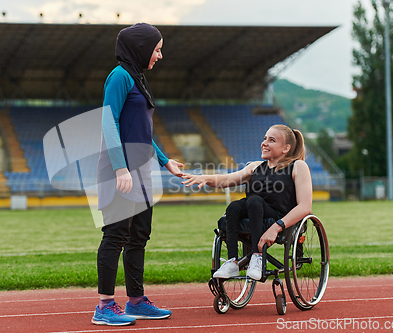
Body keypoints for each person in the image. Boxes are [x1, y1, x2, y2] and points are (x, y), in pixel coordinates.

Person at [93, 23, 184, 326]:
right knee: (116, 235)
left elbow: (142, 132)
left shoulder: (137, 78)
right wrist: (120, 167)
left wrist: (164, 160)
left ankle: (136, 301)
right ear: (141, 48)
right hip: (121, 170)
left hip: (142, 170)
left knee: (138, 237)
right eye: (157, 49)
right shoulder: (119, 76)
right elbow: (109, 122)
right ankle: (104, 306)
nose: (160, 55)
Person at [182, 124, 312, 280]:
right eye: (264, 139)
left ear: (285, 148)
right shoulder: (255, 167)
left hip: (279, 217)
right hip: (255, 212)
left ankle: (258, 257)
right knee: (234, 206)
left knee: (254, 201)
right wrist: (204, 178)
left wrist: (276, 227)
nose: (264, 143)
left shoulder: (297, 166)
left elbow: (305, 207)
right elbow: (226, 180)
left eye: (271, 140)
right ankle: (232, 261)